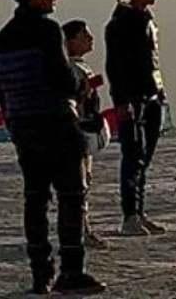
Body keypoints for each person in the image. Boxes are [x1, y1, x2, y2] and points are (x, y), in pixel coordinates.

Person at [0, 0, 105, 295]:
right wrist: (81, 81)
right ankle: (71, 272)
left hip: (23, 128)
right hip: (56, 123)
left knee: (36, 198)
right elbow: (63, 80)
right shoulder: (48, 31)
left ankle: (40, 273)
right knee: (71, 196)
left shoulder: (3, 37)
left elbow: (3, 89)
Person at [105, 0, 167, 237]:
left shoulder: (146, 19)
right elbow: (115, 66)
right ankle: (129, 216)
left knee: (144, 157)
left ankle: (139, 213)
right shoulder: (120, 24)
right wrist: (121, 101)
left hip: (152, 95)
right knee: (133, 156)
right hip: (133, 99)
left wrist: (160, 93)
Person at [63, 19, 108, 250]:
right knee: (78, 183)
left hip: (86, 129)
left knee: (85, 181)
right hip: (76, 132)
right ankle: (80, 229)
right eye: (84, 35)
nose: (90, 38)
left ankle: (83, 226)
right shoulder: (70, 69)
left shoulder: (80, 66)